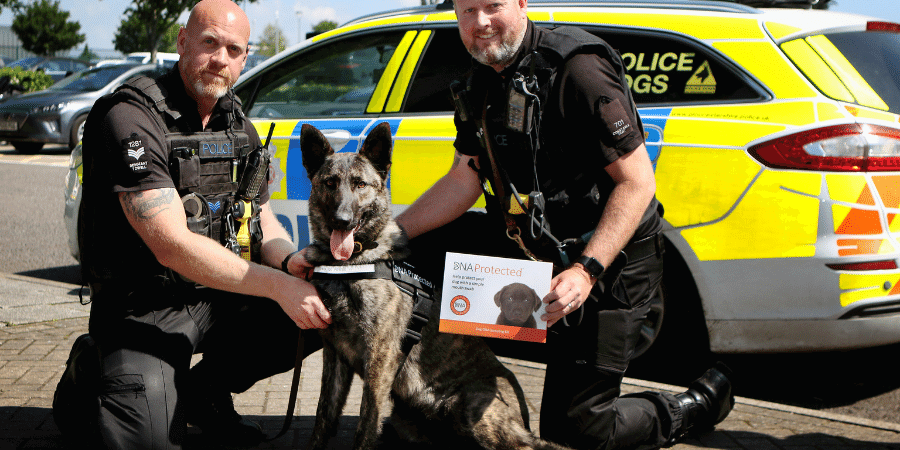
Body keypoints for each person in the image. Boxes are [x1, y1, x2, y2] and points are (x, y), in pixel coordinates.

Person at [392, 0, 735, 449]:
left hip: (611, 264)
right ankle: (431, 403)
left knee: (575, 432)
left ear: (521, 3)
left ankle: (693, 406)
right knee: (403, 255)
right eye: (466, 11)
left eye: (492, 6)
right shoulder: (481, 79)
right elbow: (464, 178)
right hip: (537, 254)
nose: (479, 23)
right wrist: (387, 236)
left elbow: (636, 184)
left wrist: (587, 270)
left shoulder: (578, 70)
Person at [53, 1, 330, 449]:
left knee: (321, 309)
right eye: (209, 43)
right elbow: (171, 245)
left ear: (245, 58)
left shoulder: (237, 122)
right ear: (183, 42)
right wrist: (277, 287)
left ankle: (205, 392)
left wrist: (289, 261)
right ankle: (89, 369)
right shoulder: (131, 116)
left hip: (216, 294)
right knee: (150, 442)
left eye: (233, 49)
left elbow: (258, 215)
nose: (220, 58)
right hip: (142, 306)